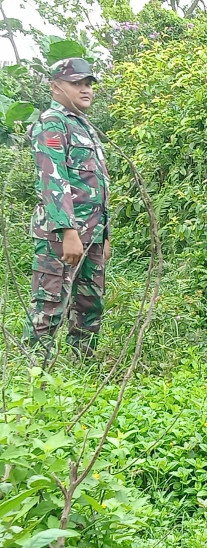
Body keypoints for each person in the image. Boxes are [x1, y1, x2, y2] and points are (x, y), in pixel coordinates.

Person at [24, 57, 111, 358]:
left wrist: (104, 235)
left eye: (88, 84)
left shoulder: (84, 127)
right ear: (55, 86)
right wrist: (67, 230)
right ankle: (35, 376)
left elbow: (96, 184)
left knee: (90, 305)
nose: (86, 89)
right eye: (77, 83)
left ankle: (82, 369)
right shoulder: (52, 122)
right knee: (48, 305)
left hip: (93, 234)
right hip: (61, 236)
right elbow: (52, 179)